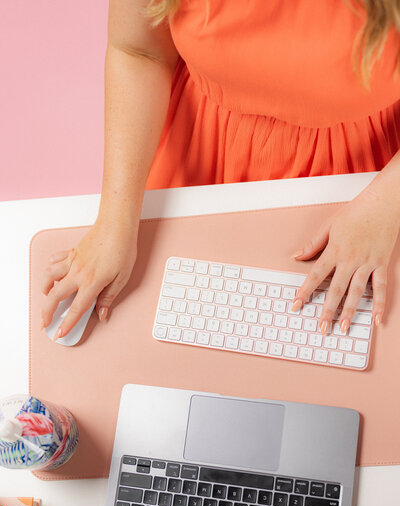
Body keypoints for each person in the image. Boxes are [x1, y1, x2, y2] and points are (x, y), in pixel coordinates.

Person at [41, 0, 400, 340]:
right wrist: (114, 224)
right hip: (200, 149)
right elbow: (140, 50)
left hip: (370, 178)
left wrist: (387, 203)